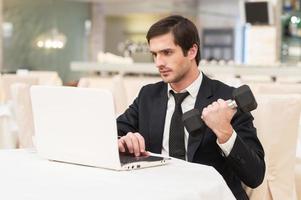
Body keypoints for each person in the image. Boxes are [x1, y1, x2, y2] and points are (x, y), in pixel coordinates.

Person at [117, 15, 265, 200]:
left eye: (167, 52)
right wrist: (121, 140)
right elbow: (113, 131)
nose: (158, 63)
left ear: (192, 51)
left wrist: (225, 131)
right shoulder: (148, 96)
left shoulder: (227, 98)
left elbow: (256, 175)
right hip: (158, 193)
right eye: (155, 54)